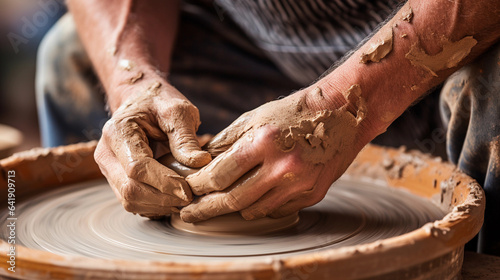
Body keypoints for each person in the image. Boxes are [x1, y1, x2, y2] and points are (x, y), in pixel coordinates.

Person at [36, 0, 500, 255]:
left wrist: (338, 107)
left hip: (450, 44)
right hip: (272, 57)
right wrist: (131, 82)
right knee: (71, 60)